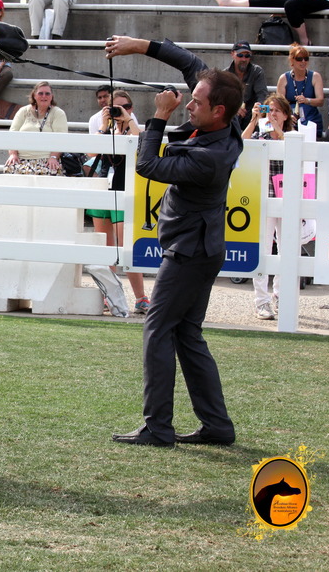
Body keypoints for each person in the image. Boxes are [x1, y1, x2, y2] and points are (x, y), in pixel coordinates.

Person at [104, 35, 241, 447]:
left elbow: (147, 164)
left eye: (197, 101)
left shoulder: (208, 157)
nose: (189, 104)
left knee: (158, 329)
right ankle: (217, 426)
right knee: (187, 335)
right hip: (201, 249)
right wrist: (140, 45)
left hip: (189, 253)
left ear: (218, 111)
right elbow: (191, 62)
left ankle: (157, 427)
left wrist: (160, 116)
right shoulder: (226, 122)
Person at [85, 89, 149, 314]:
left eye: (126, 106)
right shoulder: (103, 127)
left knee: (126, 245)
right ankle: (110, 296)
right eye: (116, 108)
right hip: (104, 187)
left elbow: (142, 146)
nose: (121, 111)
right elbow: (92, 153)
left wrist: (128, 120)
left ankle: (141, 298)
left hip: (125, 189)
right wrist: (105, 126)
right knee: (106, 246)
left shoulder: (134, 127)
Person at [242, 93, 295, 320]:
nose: (272, 114)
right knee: (263, 250)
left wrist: (278, 130)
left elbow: (293, 151)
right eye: (269, 110)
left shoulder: (292, 134)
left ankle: (281, 295)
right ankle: (261, 301)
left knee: (286, 249)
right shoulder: (259, 134)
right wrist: (254, 120)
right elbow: (242, 144)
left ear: (285, 115)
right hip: (263, 196)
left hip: (288, 198)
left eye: (276, 111)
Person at [4, 81, 68, 175]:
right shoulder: (23, 111)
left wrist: (54, 157)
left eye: (47, 94)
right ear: (34, 95)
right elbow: (12, 134)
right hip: (22, 158)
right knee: (10, 168)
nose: (44, 96)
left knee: (50, 171)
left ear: (51, 96)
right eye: (40, 93)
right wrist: (13, 154)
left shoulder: (58, 113)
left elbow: (61, 139)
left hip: (47, 159)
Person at [277, 43, 324, 138]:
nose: (303, 61)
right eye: (299, 59)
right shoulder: (284, 78)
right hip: (290, 119)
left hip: (310, 119)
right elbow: (279, 103)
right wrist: (288, 116)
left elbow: (320, 101)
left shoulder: (315, 76)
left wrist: (307, 100)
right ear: (292, 60)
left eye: (306, 58)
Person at [225, 40, 267, 128]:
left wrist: (258, 108)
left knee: (267, 110)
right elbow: (221, 99)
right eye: (240, 55)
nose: (244, 59)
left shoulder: (257, 71)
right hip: (232, 115)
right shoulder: (225, 75)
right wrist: (233, 109)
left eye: (247, 56)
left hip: (253, 113)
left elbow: (262, 95)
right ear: (232, 54)